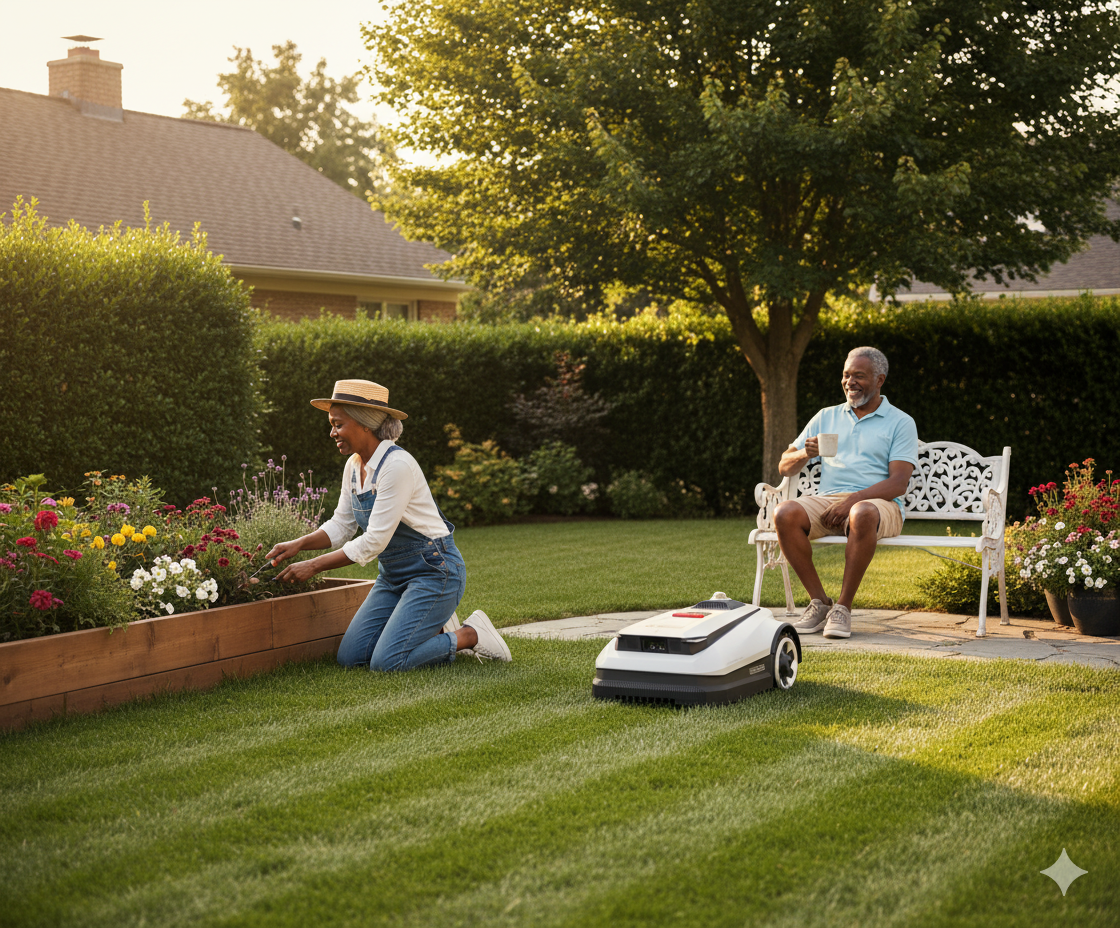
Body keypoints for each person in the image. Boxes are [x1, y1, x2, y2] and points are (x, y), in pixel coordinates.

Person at [266, 379, 512, 670]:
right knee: (351, 658)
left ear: (365, 424)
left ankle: (469, 635)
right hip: (393, 576)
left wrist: (314, 565)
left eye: (338, 424)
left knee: (387, 663)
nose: (332, 432)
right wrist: (300, 544)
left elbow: (374, 541)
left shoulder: (397, 466)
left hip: (435, 572)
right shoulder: (354, 466)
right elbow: (341, 526)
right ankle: (432, 627)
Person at [774, 347, 918, 639]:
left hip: (880, 504)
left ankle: (843, 608)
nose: (850, 382)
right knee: (784, 513)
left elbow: (898, 483)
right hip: (829, 499)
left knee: (861, 512)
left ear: (880, 380)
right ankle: (820, 603)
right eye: (846, 375)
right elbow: (784, 466)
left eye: (859, 376)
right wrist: (804, 452)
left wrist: (854, 500)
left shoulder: (900, 422)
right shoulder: (826, 416)